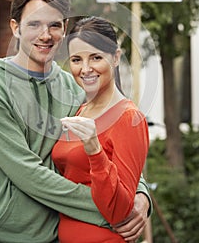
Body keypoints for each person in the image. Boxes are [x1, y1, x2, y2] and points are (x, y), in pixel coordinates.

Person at [0, 0, 151, 243]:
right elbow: (28, 174)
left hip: (56, 235)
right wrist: (115, 211)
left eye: (54, 25)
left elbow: (115, 149)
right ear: (15, 28)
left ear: (64, 30)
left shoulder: (73, 88)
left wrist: (140, 195)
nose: (45, 35)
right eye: (34, 24)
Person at [52, 16, 150, 243]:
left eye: (96, 57)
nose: (85, 69)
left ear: (115, 57)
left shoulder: (129, 118)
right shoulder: (80, 110)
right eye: (77, 60)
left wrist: (95, 151)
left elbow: (120, 210)